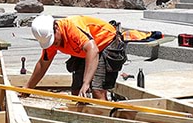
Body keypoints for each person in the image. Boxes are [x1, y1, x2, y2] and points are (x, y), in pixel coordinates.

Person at [25, 14, 158, 100]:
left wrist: (86, 82)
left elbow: (93, 50)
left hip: (105, 43)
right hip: (86, 50)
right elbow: (43, 64)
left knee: (97, 88)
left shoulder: (72, 28)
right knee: (77, 91)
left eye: (54, 40)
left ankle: (104, 121)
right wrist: (27, 88)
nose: (53, 44)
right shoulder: (51, 39)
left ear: (56, 27)